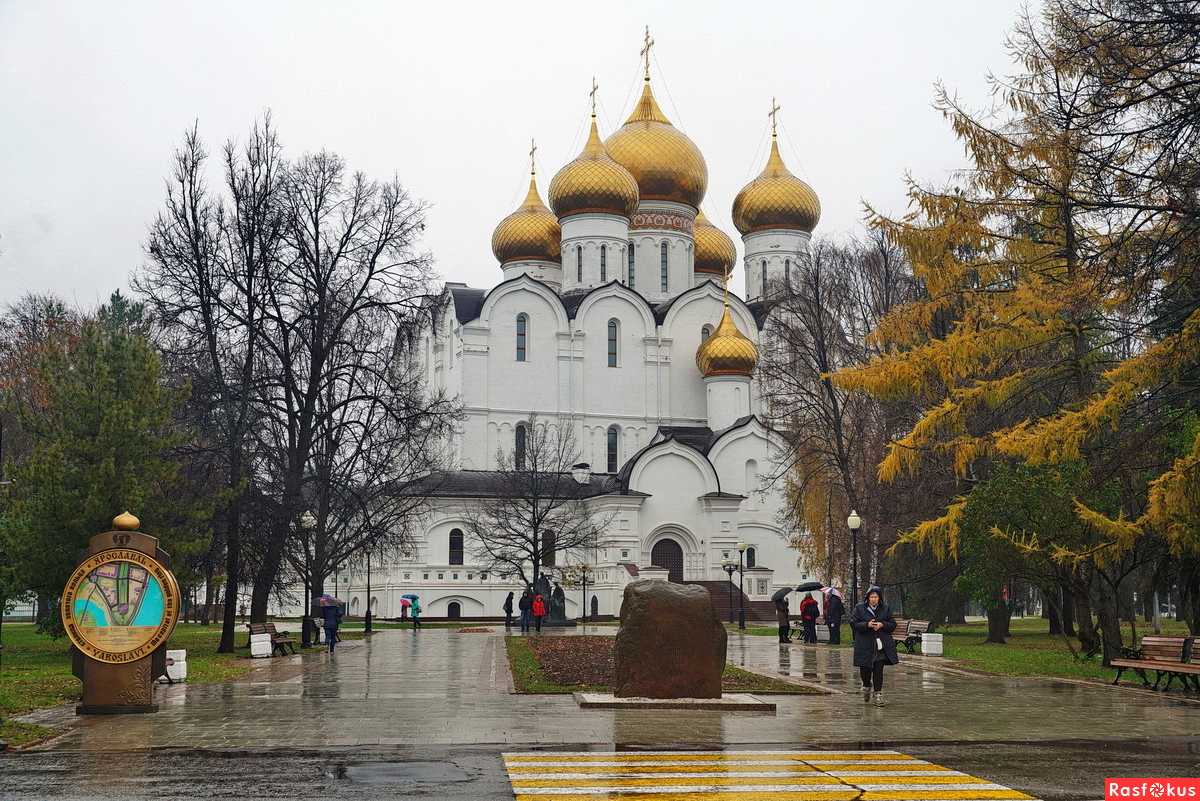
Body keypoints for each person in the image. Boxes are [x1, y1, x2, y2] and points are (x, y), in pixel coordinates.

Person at [850, 585, 899, 706]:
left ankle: (878, 694)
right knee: (865, 670)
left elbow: (892, 624)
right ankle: (866, 685)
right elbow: (854, 623)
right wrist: (867, 625)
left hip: (880, 645)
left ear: (879, 598)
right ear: (868, 598)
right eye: (871, 597)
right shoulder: (860, 608)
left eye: (875, 597)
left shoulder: (885, 608)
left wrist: (882, 625)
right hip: (865, 644)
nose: (873, 599)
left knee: (878, 669)